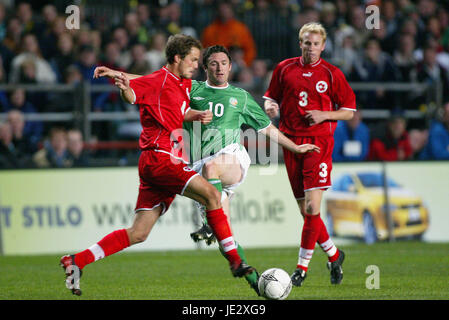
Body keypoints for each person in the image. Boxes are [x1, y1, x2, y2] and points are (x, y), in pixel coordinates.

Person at [60, 34, 255, 296]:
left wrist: (194, 114)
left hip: (158, 164)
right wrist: (122, 85)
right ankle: (235, 260)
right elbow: (132, 93)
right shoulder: (158, 80)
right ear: (177, 58)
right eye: (193, 59)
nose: (197, 65)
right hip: (160, 158)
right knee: (212, 194)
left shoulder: (183, 84)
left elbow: (176, 109)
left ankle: (76, 260)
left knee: (139, 232)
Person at [183, 45, 320, 295]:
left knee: (212, 167)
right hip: (201, 169)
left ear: (231, 66)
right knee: (227, 242)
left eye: (224, 63)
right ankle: (257, 283)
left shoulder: (241, 97)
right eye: (214, 63)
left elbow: (268, 129)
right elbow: (157, 85)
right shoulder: (192, 89)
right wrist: (126, 78)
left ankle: (206, 224)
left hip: (231, 160)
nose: (220, 67)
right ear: (205, 68)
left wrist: (295, 148)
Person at [263, 22, 356, 287]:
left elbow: (348, 111)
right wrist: (271, 107)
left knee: (314, 207)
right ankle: (335, 255)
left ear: (323, 46)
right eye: (307, 43)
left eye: (316, 44)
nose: (311, 48)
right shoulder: (284, 69)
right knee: (307, 212)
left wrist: (324, 114)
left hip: (319, 144)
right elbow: (271, 98)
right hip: (291, 144)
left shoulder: (331, 73)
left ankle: (301, 269)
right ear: (300, 43)